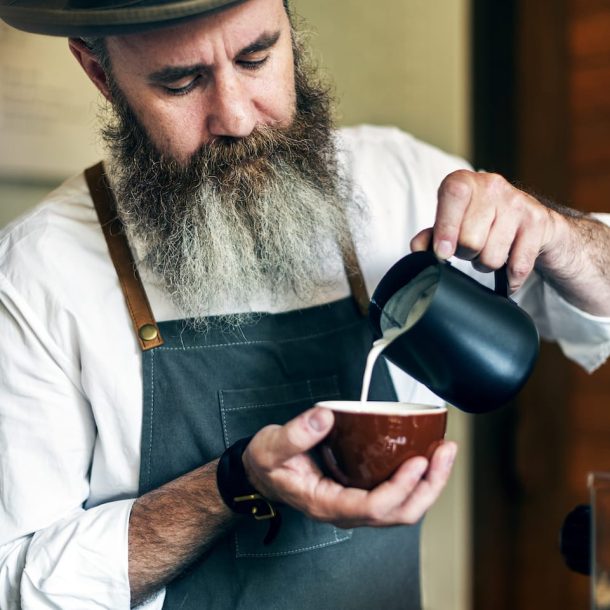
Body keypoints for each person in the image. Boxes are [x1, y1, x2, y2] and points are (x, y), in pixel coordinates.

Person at [0, 0, 609, 608]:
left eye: (257, 57)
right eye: (181, 82)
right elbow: (15, 581)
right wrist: (232, 485)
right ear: (100, 74)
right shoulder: (38, 273)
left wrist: (557, 233)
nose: (236, 117)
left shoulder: (397, 182)